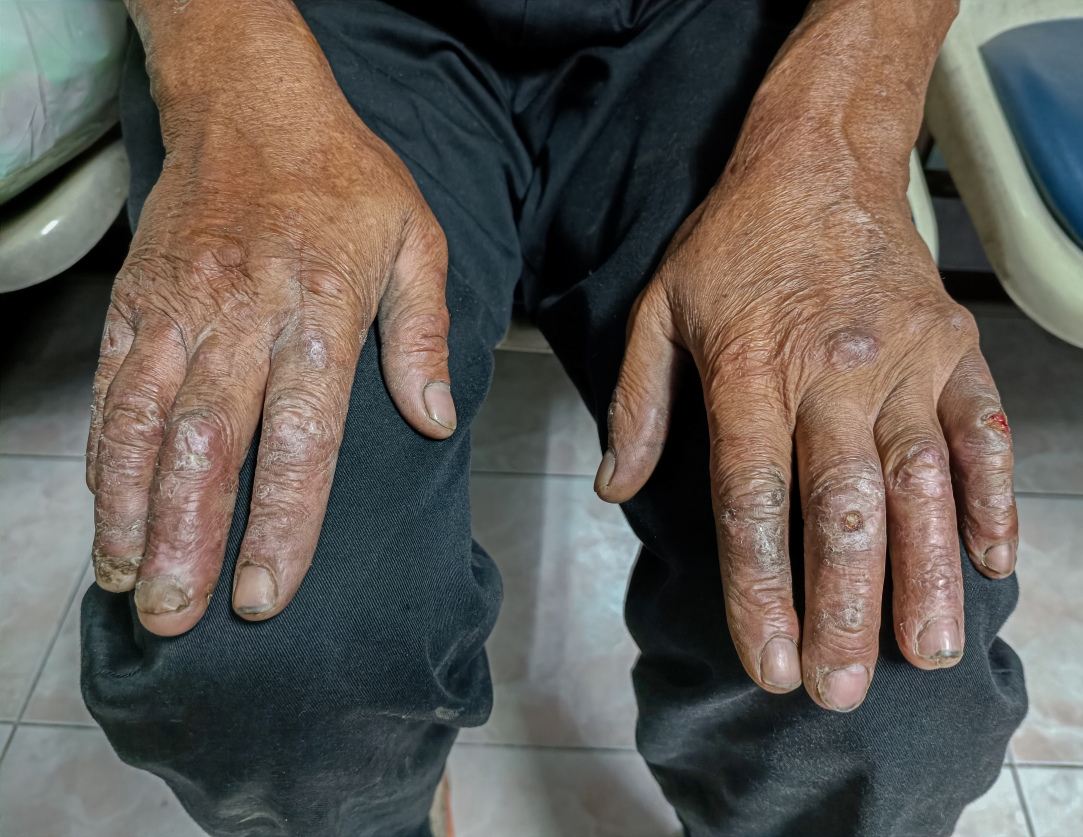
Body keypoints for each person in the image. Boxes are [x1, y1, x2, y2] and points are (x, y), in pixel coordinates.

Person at [80, 0, 1027, 835]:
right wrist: (221, 56)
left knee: (891, 682)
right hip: (314, 24)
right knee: (266, 656)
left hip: (722, 22)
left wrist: (843, 127)